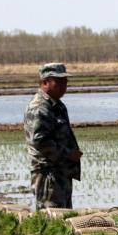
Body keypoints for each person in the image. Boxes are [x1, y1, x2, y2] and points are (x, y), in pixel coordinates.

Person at [25, 62, 82, 209]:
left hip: (61, 173)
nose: (64, 85)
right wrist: (68, 154)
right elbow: (39, 141)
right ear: (45, 83)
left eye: (65, 81)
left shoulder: (57, 105)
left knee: (64, 216)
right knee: (52, 217)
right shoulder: (39, 107)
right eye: (59, 81)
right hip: (48, 175)